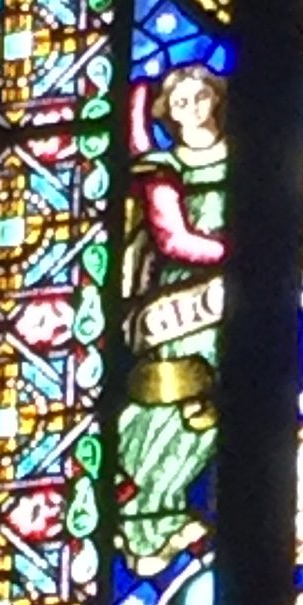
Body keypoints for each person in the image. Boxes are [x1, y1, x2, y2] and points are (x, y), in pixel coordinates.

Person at [116, 64, 227, 573]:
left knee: (225, 402)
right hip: (185, 305)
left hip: (231, 301)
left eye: (199, 96)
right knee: (186, 406)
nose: (191, 108)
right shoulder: (162, 168)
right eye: (178, 102)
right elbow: (173, 239)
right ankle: (152, 519)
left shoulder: (252, 157)